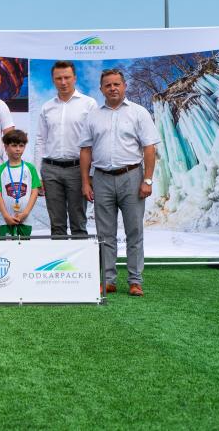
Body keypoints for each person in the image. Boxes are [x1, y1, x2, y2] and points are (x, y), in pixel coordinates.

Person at [80, 68, 160, 297]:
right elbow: (85, 150)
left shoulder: (139, 112)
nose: (112, 88)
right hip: (102, 178)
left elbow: (149, 148)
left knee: (134, 231)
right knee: (105, 234)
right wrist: (85, 182)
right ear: (101, 89)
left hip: (132, 177)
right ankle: (108, 280)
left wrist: (147, 180)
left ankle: (135, 281)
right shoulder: (93, 115)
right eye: (108, 85)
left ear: (124, 86)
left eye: (116, 84)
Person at [35, 61, 97, 237]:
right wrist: (37, 174)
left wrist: (90, 174)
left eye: (67, 77)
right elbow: (40, 140)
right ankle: (59, 256)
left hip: (78, 169)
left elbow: (95, 141)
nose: (63, 82)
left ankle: (80, 255)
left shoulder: (89, 104)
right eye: (58, 78)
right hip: (51, 170)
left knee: (78, 222)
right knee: (56, 224)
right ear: (53, 80)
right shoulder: (47, 107)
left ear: (74, 78)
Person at [0, 130, 41, 238]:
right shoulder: (0, 170)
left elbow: (34, 192)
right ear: (6, 147)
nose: (18, 149)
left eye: (21, 146)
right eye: (14, 145)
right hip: (5, 220)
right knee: (6, 247)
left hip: (25, 219)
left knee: (24, 247)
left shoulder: (30, 168)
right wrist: (6, 216)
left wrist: (25, 213)